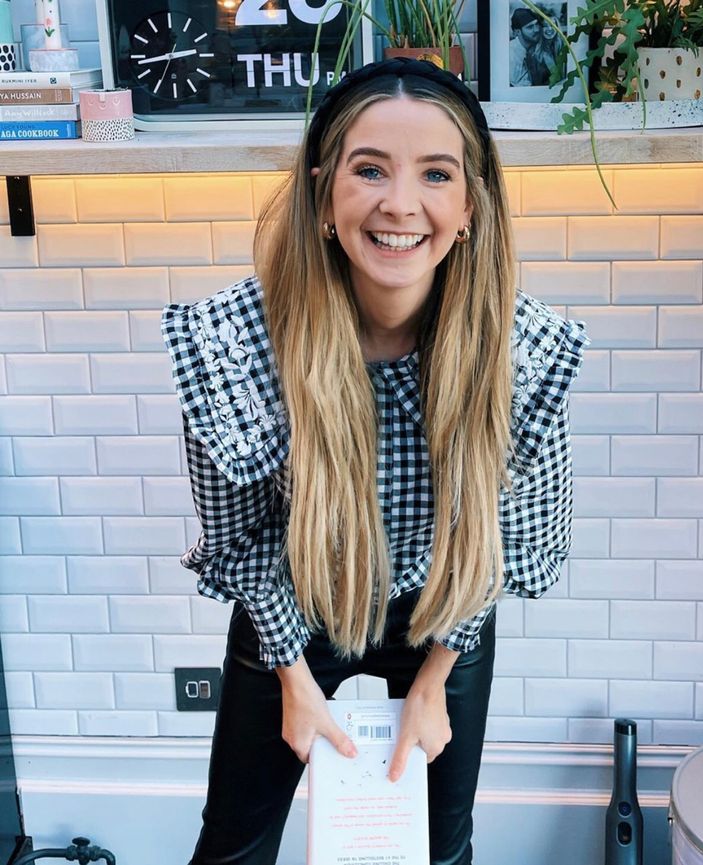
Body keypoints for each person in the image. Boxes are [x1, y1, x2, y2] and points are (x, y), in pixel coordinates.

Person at [161, 57, 589, 865]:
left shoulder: (522, 352)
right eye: (369, 169)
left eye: (435, 172)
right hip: (294, 596)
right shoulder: (235, 346)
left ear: (470, 206)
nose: (400, 203)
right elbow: (241, 536)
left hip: (445, 612)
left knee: (439, 848)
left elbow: (511, 539)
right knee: (231, 847)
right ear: (325, 194)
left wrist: (435, 680)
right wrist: (293, 677)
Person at [509, 7, 540, 87]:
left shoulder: (537, 46)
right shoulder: (511, 55)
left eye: (536, 24)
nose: (536, 30)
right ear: (517, 32)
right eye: (530, 27)